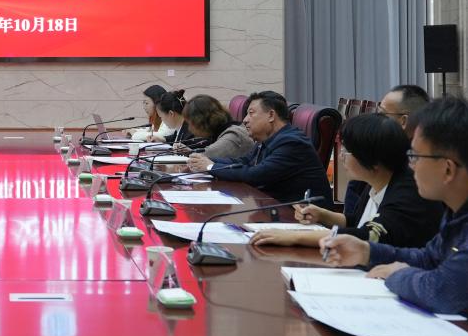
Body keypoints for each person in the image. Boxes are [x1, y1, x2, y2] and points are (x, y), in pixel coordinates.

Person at [320, 97, 468, 336]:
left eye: (415, 156)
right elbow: (431, 258)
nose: (410, 166)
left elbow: (441, 290)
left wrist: (397, 274)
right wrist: (367, 252)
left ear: (447, 168)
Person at [250, 113, 442, 249]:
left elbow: (367, 236)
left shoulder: (407, 191)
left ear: (373, 160)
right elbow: (356, 222)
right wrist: (322, 215)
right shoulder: (375, 181)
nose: (341, 156)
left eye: (346, 151)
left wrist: (295, 237)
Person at [187, 91, 332, 204]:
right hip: (275, 210)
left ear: (271, 115)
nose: (245, 120)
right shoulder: (267, 139)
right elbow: (244, 161)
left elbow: (256, 175)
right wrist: (206, 161)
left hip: (302, 220)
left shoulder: (291, 143)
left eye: (251, 113)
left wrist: (210, 167)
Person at [343, 84, 430, 214]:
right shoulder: (379, 149)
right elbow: (354, 218)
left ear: (403, 121)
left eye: (382, 114)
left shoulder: (414, 166)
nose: (375, 119)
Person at [176, 94, 253, 159]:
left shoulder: (232, 136)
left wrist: (190, 153)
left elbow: (204, 157)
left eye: (190, 123)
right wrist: (190, 152)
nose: (189, 129)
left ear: (200, 122)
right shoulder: (228, 129)